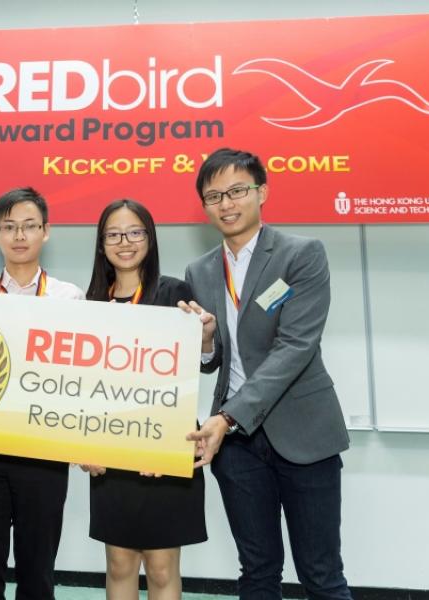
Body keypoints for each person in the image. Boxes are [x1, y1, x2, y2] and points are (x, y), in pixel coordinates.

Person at [185, 148, 351, 599]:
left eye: (237, 190)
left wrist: (226, 417)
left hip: (302, 434)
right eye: (214, 195)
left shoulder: (301, 255)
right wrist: (203, 344)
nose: (226, 204)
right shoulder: (199, 271)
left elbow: (295, 347)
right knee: (257, 572)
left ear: (262, 192)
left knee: (321, 573)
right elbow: (215, 358)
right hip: (236, 448)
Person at [0, 187, 84, 600]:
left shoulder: (70, 298)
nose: (19, 235)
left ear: (46, 232)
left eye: (29, 226)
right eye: (9, 227)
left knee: (38, 573)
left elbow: (78, 380)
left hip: (43, 453)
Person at [83, 199, 210, 599]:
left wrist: (205, 338)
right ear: (101, 243)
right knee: (119, 563)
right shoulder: (90, 302)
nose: (125, 242)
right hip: (110, 448)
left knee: (160, 567)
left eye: (135, 232)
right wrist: (83, 446)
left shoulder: (175, 292)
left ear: (149, 239)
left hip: (164, 447)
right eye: (114, 234)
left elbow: (199, 367)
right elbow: (80, 388)